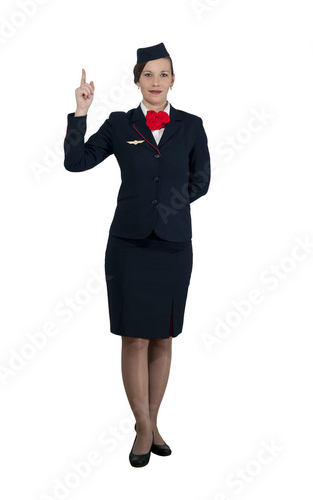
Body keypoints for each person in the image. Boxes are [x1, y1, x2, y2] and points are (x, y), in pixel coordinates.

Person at [63, 42, 211, 467]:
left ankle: (153, 420)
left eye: (163, 74)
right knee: (134, 336)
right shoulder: (119, 123)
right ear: (136, 81)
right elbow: (77, 161)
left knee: (163, 335)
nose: (156, 82)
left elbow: (200, 180)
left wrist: (166, 209)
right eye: (148, 75)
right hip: (128, 245)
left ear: (173, 80)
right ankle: (142, 426)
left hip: (173, 245)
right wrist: (80, 112)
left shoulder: (192, 125)